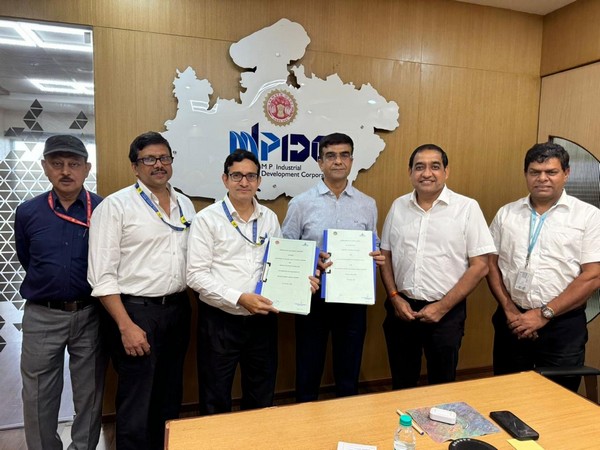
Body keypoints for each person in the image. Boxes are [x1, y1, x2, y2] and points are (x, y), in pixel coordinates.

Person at [187, 149, 318, 415]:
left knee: (261, 394)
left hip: (262, 322)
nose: (244, 182)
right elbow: (195, 275)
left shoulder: (269, 217)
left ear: (259, 180)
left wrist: (300, 282)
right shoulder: (207, 219)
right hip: (220, 321)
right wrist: (239, 298)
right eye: (237, 176)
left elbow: (279, 265)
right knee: (215, 395)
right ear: (225, 179)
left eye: (250, 176)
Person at [87, 131, 195, 449]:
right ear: (135, 167)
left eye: (164, 157)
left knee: (169, 394)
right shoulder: (115, 206)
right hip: (135, 313)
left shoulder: (185, 204)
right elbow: (101, 276)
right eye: (149, 159)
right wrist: (125, 326)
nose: (158, 164)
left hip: (178, 308)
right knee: (137, 398)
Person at [487, 142, 600, 392]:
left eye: (551, 172)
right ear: (526, 174)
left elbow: (592, 276)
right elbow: (490, 264)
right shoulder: (507, 214)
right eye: (535, 172)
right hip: (512, 321)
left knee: (557, 397)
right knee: (507, 393)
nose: (542, 178)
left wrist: (543, 314)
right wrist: (509, 309)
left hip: (562, 325)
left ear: (566, 173)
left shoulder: (589, 216)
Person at [15, 135, 104, 450]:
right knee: (38, 394)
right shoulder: (28, 212)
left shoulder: (103, 209)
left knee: (89, 393)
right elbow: (27, 257)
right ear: (45, 167)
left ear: (86, 168)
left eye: (74, 164)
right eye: (57, 164)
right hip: (43, 314)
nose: (66, 171)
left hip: (90, 313)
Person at [380, 144, 495, 389]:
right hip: (402, 310)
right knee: (401, 383)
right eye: (419, 167)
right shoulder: (398, 206)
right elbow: (385, 254)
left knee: (442, 385)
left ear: (446, 172)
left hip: (447, 312)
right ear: (410, 172)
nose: (427, 173)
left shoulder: (467, 208)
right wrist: (394, 297)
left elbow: (480, 266)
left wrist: (442, 307)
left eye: (435, 166)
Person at [282, 132, 384, 402]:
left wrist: (375, 256)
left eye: (344, 155)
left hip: (353, 298)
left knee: (349, 370)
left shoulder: (367, 204)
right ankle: (305, 419)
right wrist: (310, 259)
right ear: (320, 162)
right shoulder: (301, 203)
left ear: (351, 161)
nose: (338, 161)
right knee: (308, 368)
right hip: (313, 297)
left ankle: (346, 420)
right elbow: (287, 250)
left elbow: (373, 242)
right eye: (331, 156)